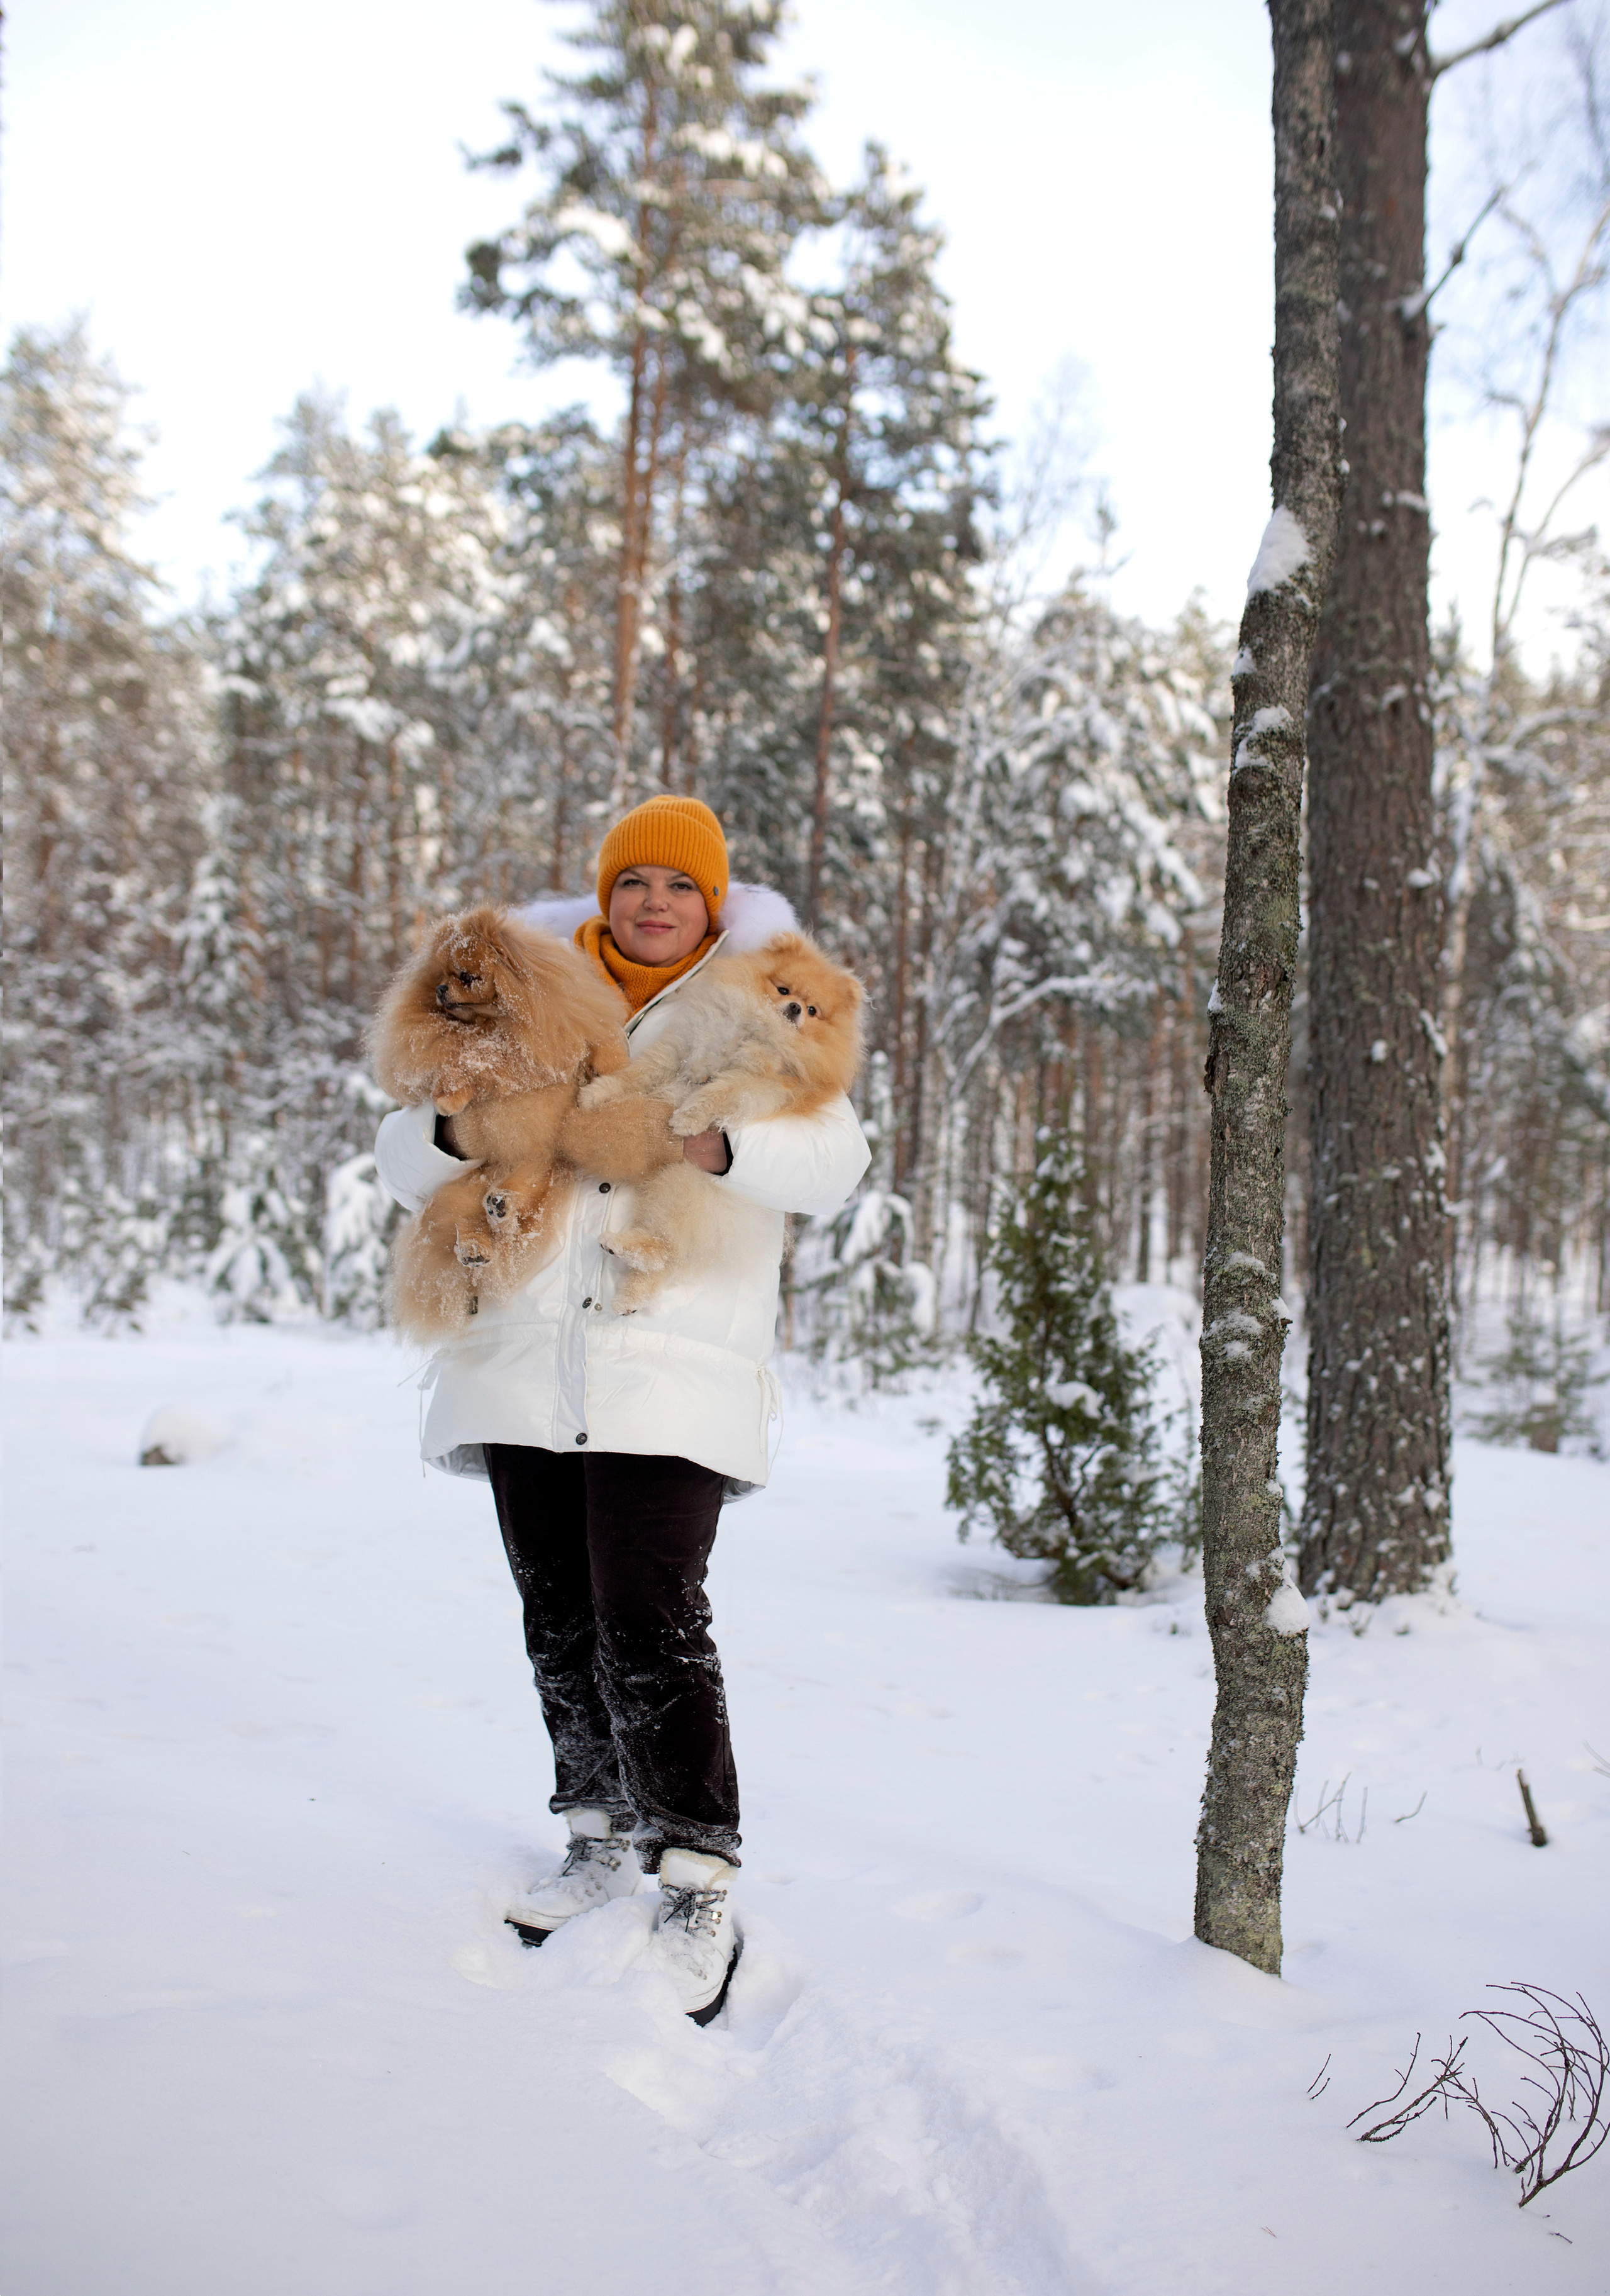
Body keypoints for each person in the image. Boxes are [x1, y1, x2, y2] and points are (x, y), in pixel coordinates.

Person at [373, 795, 870, 2020]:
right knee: (557, 1611)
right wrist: (461, 1125)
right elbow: (400, 1152)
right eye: (634, 883)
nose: (654, 904)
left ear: (712, 904)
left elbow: (836, 1162)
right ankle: (594, 1829)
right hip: (523, 1357)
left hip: (669, 1366)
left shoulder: (766, 1006)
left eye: (679, 888)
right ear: (606, 896)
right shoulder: (526, 995)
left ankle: (695, 1866)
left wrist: (714, 1150)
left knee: (649, 1614)